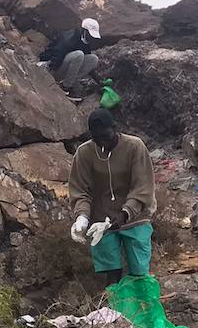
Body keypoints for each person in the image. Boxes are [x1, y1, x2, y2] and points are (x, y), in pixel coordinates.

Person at [67, 106, 156, 284]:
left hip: (135, 217)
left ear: (115, 128)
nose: (102, 143)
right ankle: (114, 309)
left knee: (139, 273)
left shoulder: (135, 147)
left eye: (105, 137)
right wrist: (82, 217)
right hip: (102, 220)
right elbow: (80, 190)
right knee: (111, 273)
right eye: (96, 139)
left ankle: (139, 308)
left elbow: (142, 186)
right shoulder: (84, 153)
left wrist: (125, 213)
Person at [41, 17, 102, 91]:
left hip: (65, 71)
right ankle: (65, 86)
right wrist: (50, 67)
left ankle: (68, 82)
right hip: (55, 68)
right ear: (84, 31)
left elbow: (86, 63)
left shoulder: (85, 43)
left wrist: (99, 80)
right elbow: (57, 52)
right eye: (91, 34)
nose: (92, 37)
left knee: (93, 59)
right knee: (79, 55)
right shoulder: (70, 37)